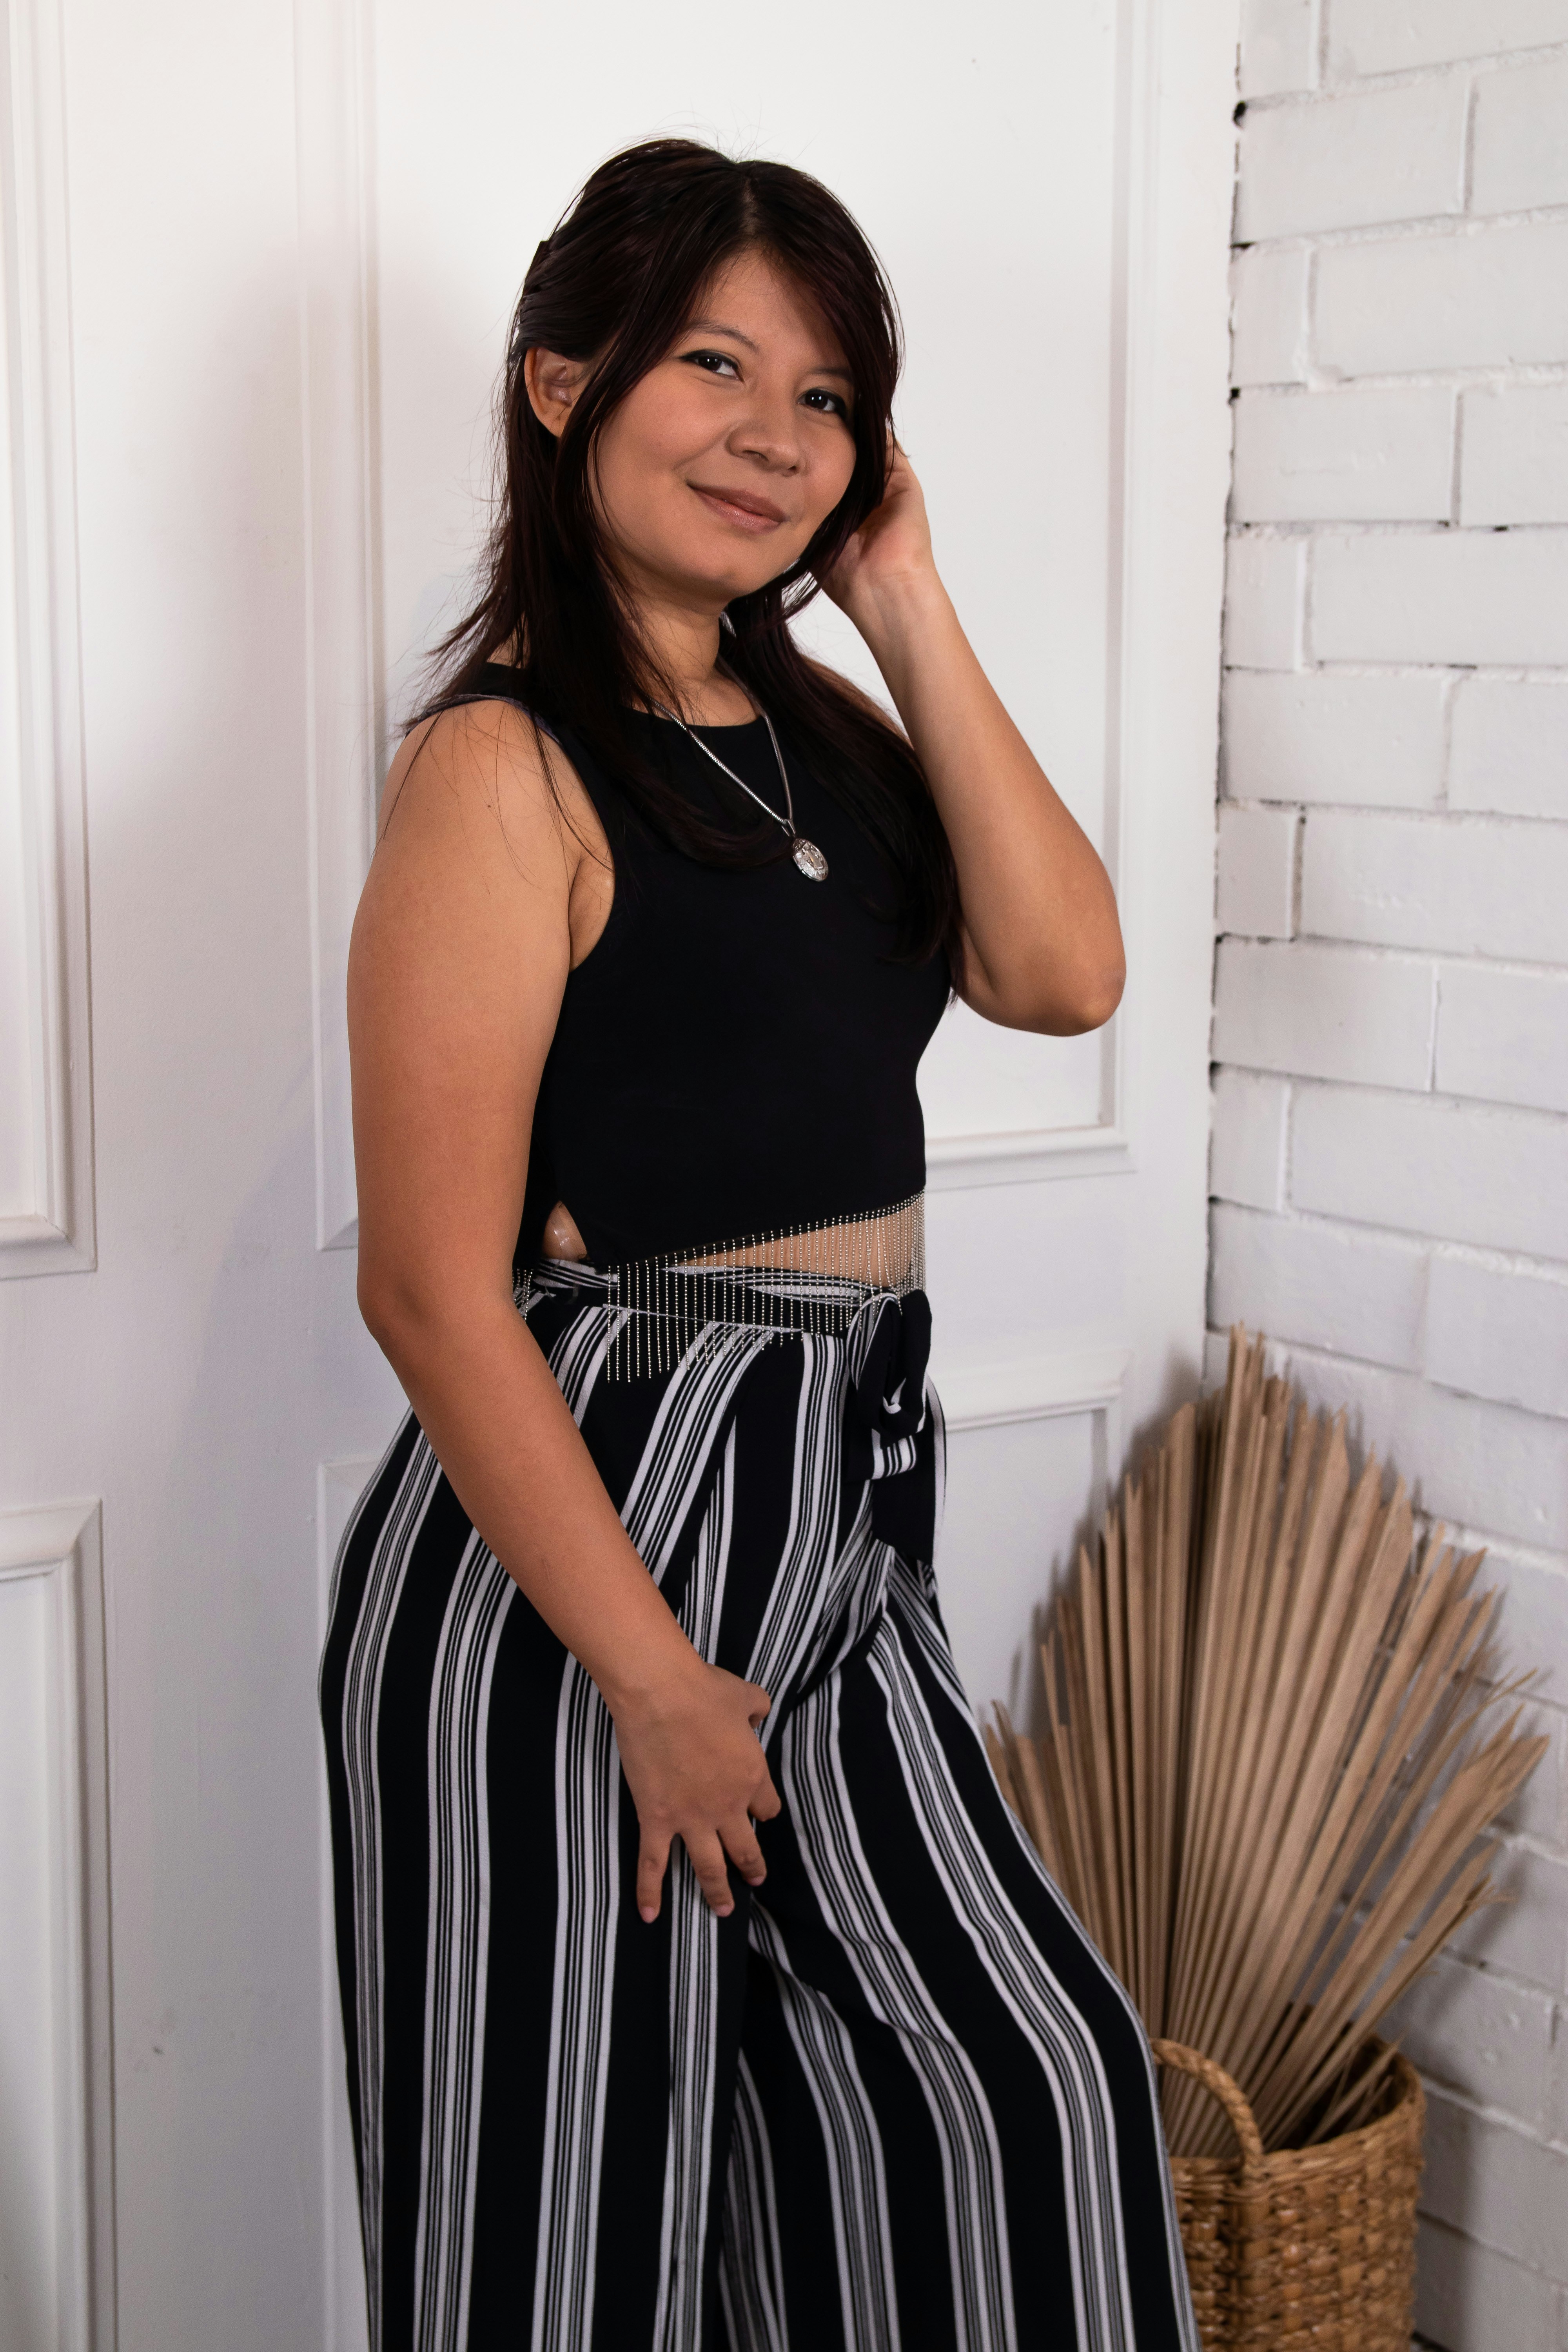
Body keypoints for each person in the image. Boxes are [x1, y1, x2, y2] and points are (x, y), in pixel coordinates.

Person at [320, 138, 1198, 2352]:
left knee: (1027, 2095)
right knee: (573, 2232)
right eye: (713, 363)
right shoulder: (501, 774)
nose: (774, 436)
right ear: (560, 383)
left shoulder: (824, 741)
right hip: (586, 1541)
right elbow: (429, 1284)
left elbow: (1071, 969)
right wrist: (646, 1672)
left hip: (835, 1504)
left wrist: (900, 598)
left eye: (824, 397)